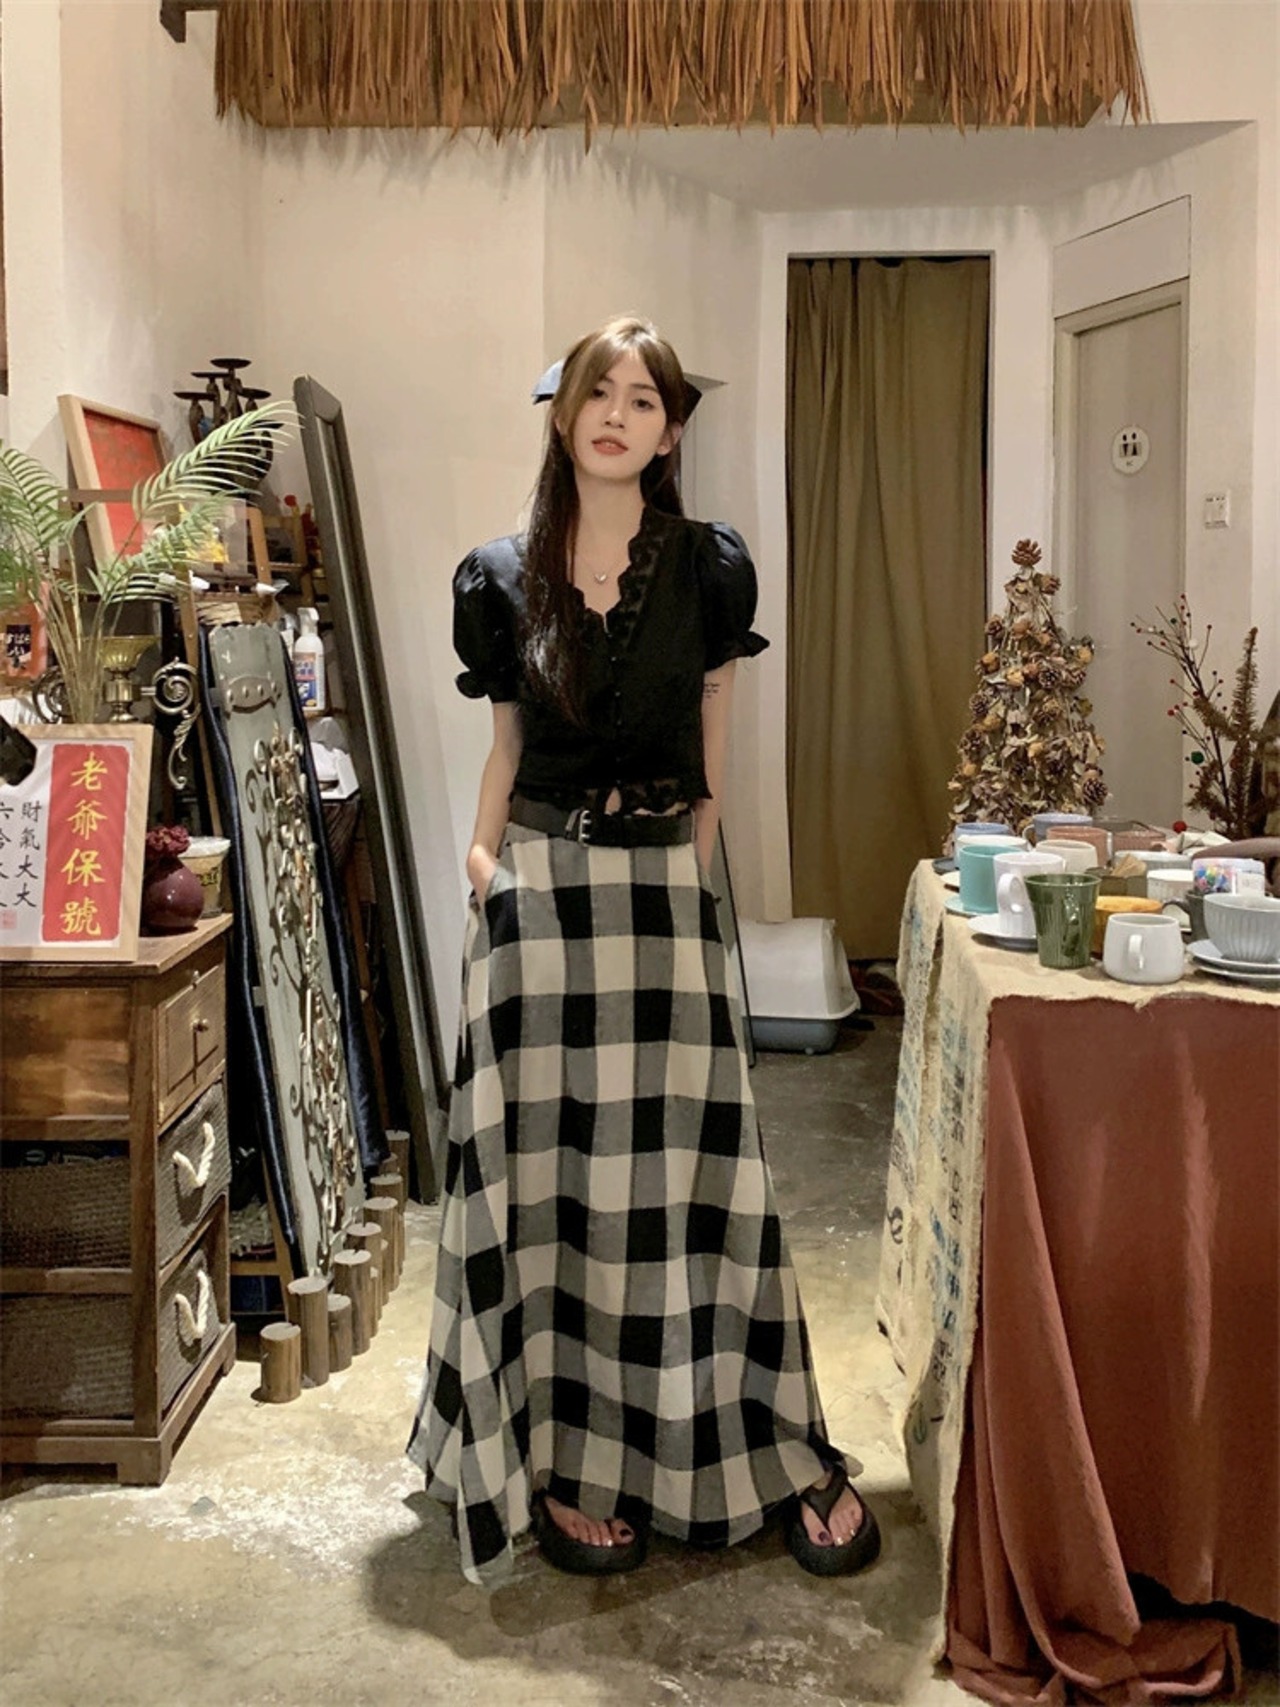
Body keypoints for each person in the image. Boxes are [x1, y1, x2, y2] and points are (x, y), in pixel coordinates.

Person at [407, 314, 879, 1586]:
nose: (617, 416)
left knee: (696, 1180)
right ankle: (562, 1461)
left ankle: (755, 1442)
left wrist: (694, 849)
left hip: (661, 887)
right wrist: (484, 866)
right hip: (539, 893)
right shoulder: (496, 577)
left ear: (669, 431)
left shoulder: (710, 568)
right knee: (547, 1185)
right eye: (597, 394)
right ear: (563, 414)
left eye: (643, 400)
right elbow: (506, 749)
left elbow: (713, 723)